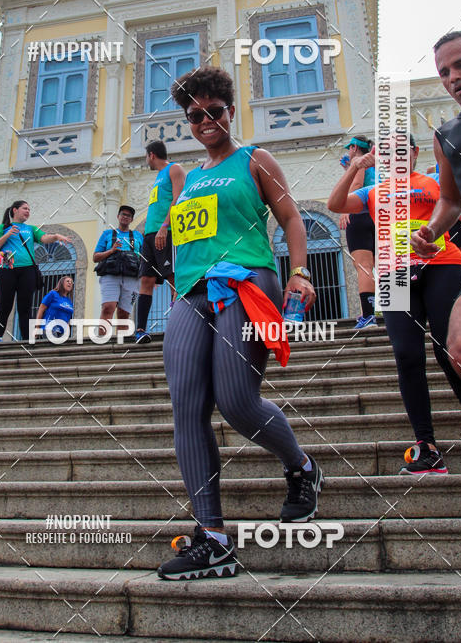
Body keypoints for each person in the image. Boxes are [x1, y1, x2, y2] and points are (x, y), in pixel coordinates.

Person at [156, 66, 320, 582]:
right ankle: (214, 537)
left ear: (230, 111)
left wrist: (299, 273)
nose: (205, 121)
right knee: (186, 409)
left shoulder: (255, 159)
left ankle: (301, 467)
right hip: (191, 293)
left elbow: (291, 218)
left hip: (247, 280)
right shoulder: (189, 179)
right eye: (194, 115)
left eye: (214, 111)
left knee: (237, 402)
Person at [327, 134, 461, 474]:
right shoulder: (372, 192)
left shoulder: (434, 181)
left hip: (442, 264)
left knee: (448, 345)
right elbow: (335, 204)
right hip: (395, 273)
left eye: (401, 149)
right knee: (407, 355)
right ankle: (426, 445)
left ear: (414, 152)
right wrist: (354, 166)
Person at [412, 30, 461, 408]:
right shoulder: (446, 136)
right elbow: (451, 201)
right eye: (444, 72)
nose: (453, 77)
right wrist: (432, 229)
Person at [0, 201, 72, 343]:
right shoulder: (3, 228)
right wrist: (8, 234)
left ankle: (26, 339)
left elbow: (44, 238)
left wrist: (56, 236)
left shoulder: (31, 229)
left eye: (29, 209)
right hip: (6, 270)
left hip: (27, 270)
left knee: (25, 307)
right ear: (15, 210)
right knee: (4, 306)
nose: (28, 211)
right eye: (25, 208)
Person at [135, 141, 185, 345]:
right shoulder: (158, 177)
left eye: (146, 156)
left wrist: (165, 226)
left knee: (173, 279)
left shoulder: (174, 169)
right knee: (146, 281)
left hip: (167, 232)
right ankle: (140, 330)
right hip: (149, 235)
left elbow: (178, 198)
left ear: (152, 155)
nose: (146, 160)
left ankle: (179, 327)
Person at [340, 135, 378, 329]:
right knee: (380, 265)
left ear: (354, 148)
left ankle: (369, 316)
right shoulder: (374, 164)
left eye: (349, 148)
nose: (348, 152)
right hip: (378, 215)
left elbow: (356, 185)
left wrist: (345, 208)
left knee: (363, 266)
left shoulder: (360, 162)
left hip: (360, 214)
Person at [93, 205, 143, 334]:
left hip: (132, 277)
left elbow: (144, 258)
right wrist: (111, 250)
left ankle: (122, 342)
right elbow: (95, 257)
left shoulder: (137, 236)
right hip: (110, 275)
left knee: (124, 314)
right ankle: (103, 340)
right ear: (118, 216)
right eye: (123, 214)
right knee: (107, 307)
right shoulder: (107, 234)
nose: (125, 217)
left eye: (128, 215)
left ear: (132, 219)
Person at [36, 276, 74, 340]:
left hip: (61, 332)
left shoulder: (69, 301)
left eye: (71, 282)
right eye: (67, 281)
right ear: (61, 283)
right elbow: (41, 310)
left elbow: (68, 319)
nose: (70, 283)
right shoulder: (53, 294)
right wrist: (37, 328)